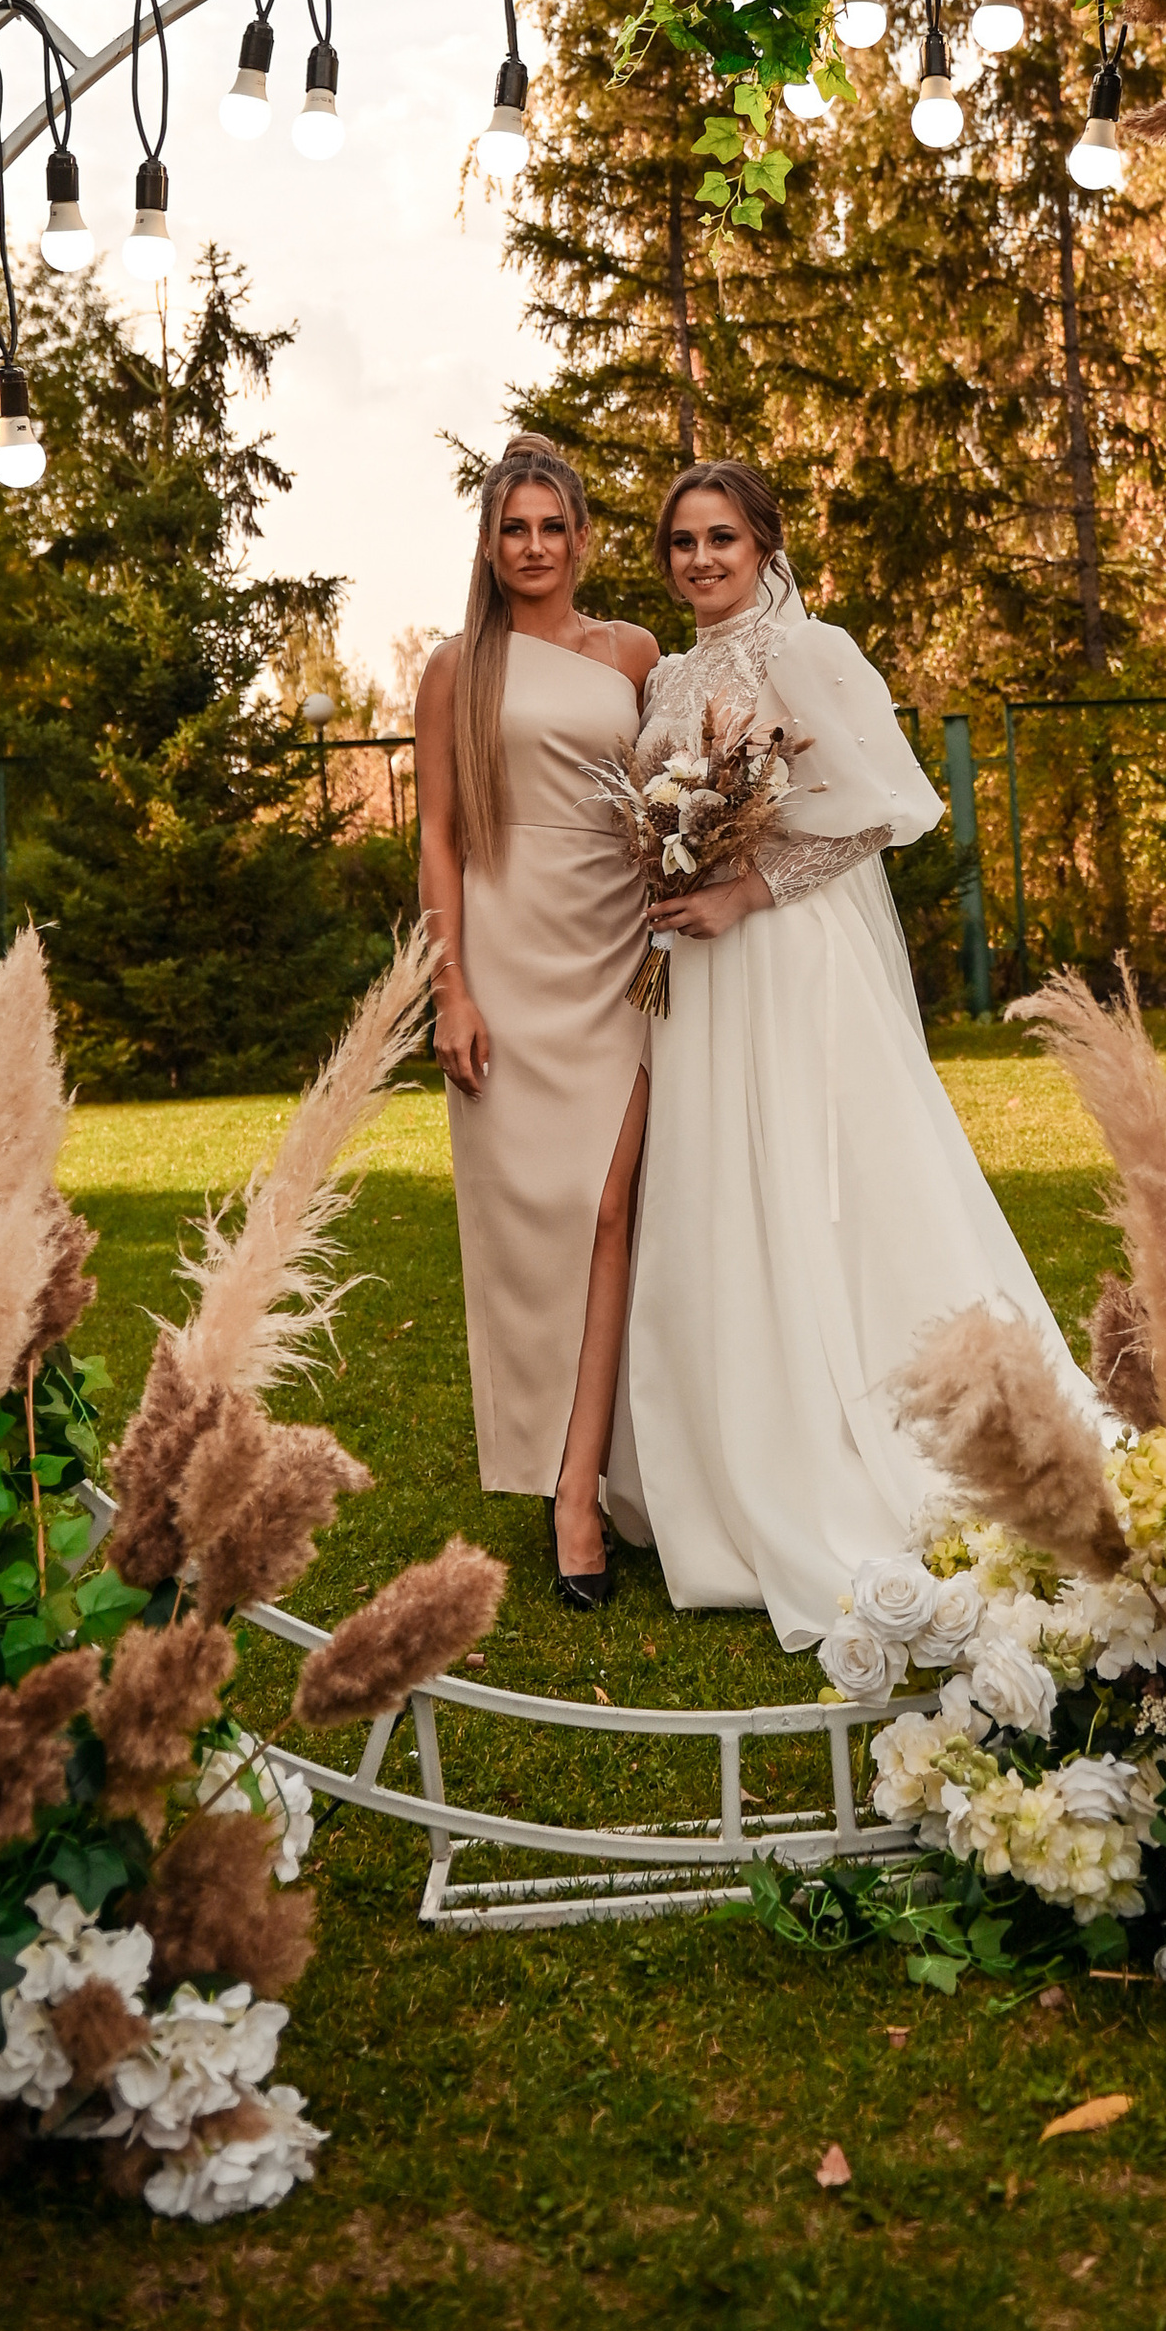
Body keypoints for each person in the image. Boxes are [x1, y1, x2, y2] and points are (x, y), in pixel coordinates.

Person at [605, 459, 1085, 1650]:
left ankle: (863, 1442)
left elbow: (884, 806)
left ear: (765, 546)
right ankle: (720, 1463)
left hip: (783, 956)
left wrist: (746, 887)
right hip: (695, 968)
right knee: (715, 1192)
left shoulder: (809, 650)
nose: (701, 560)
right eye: (682, 542)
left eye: (722, 538)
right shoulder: (666, 674)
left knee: (819, 1187)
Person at [414, 443, 657, 1608]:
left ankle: (582, 1486)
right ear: (489, 542)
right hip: (506, 957)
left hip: (620, 952)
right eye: (513, 527)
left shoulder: (634, 654)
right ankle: (561, 1471)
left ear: (583, 539)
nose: (533, 546)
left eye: (552, 526)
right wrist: (450, 987)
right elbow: (437, 837)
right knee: (530, 1228)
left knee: (610, 1209)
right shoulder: (455, 666)